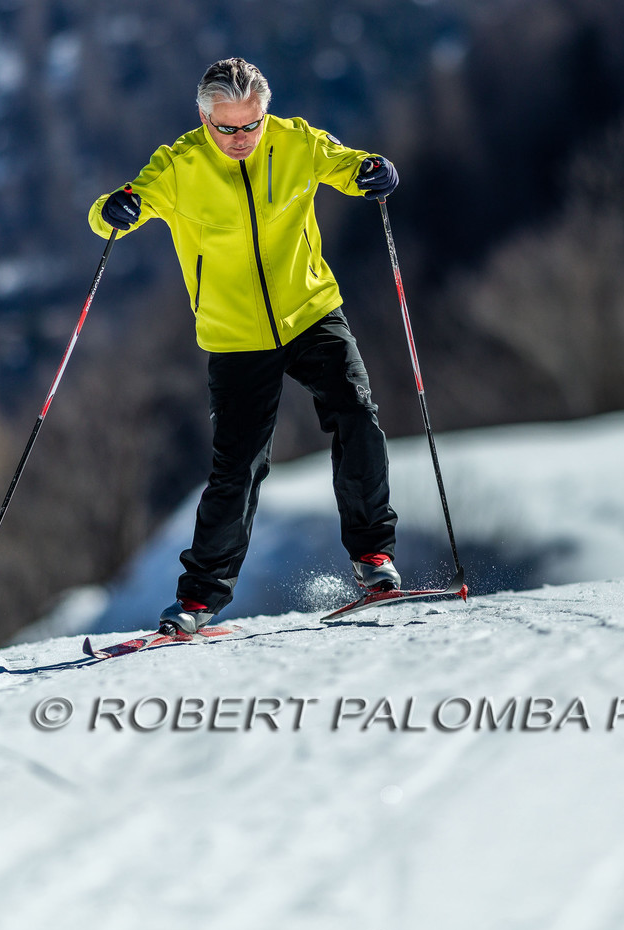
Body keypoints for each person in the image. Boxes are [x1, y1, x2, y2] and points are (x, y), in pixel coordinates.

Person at [88, 57, 401, 635]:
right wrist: (114, 210)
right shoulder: (180, 166)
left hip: (309, 312)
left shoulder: (295, 141)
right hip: (235, 337)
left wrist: (373, 171)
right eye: (226, 127)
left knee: (357, 414)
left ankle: (373, 556)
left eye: (251, 124)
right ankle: (200, 601)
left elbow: (350, 164)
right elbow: (116, 207)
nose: (241, 139)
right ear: (203, 119)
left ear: (265, 111)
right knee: (238, 467)